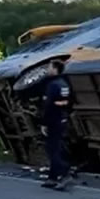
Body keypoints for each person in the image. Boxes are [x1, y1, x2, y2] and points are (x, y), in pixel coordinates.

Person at [40, 60, 73, 190]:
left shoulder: (52, 85)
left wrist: (44, 123)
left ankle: (65, 173)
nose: (48, 70)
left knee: (52, 149)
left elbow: (48, 105)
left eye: (49, 67)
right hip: (62, 118)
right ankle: (52, 178)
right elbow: (68, 102)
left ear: (55, 69)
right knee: (57, 147)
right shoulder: (64, 84)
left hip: (53, 120)